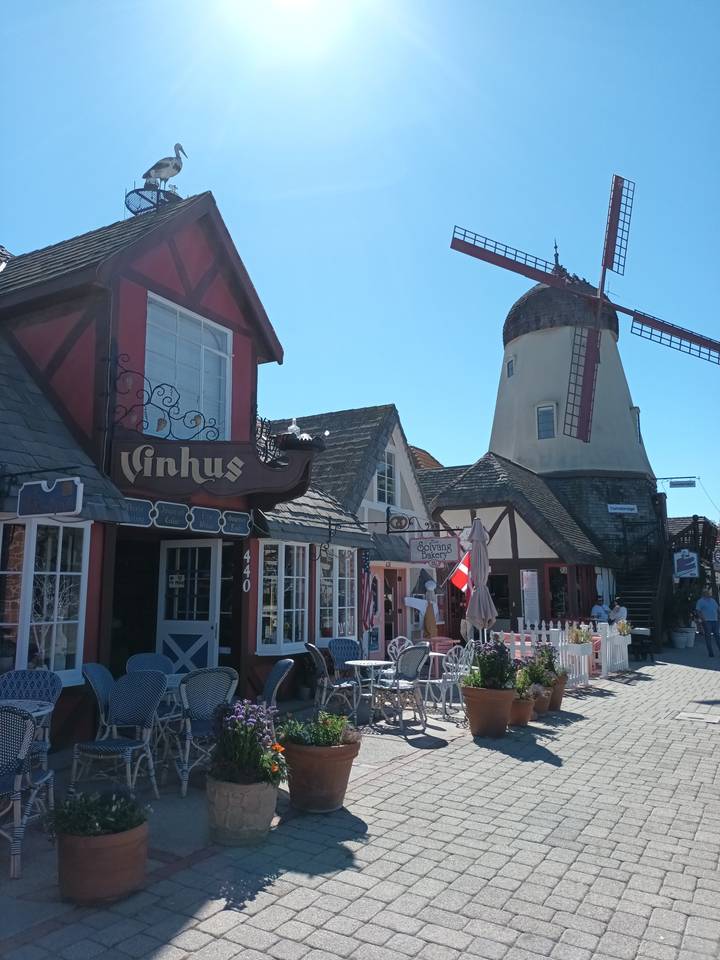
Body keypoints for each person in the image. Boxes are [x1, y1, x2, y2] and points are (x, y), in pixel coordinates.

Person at [694, 587, 720, 657]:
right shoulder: (700, 601)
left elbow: (717, 609)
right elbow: (698, 611)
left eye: (708, 592)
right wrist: (703, 619)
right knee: (708, 637)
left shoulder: (713, 600)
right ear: (703, 593)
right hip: (707, 621)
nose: (708, 593)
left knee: (717, 636)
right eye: (706, 592)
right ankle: (711, 653)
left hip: (715, 620)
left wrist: (718, 617)